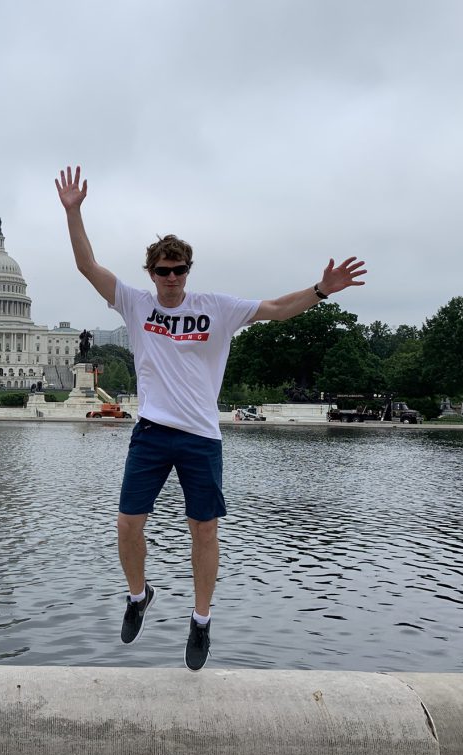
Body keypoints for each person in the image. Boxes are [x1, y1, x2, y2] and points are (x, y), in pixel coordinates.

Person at [55, 165, 366, 670]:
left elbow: (276, 308)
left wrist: (321, 289)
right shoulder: (135, 305)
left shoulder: (217, 308)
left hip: (201, 436)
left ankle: (200, 620)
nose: (171, 278)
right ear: (151, 274)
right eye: (163, 271)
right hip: (151, 432)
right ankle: (138, 595)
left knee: (204, 530)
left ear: (188, 271)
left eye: (179, 270)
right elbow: (87, 264)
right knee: (127, 523)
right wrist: (74, 211)